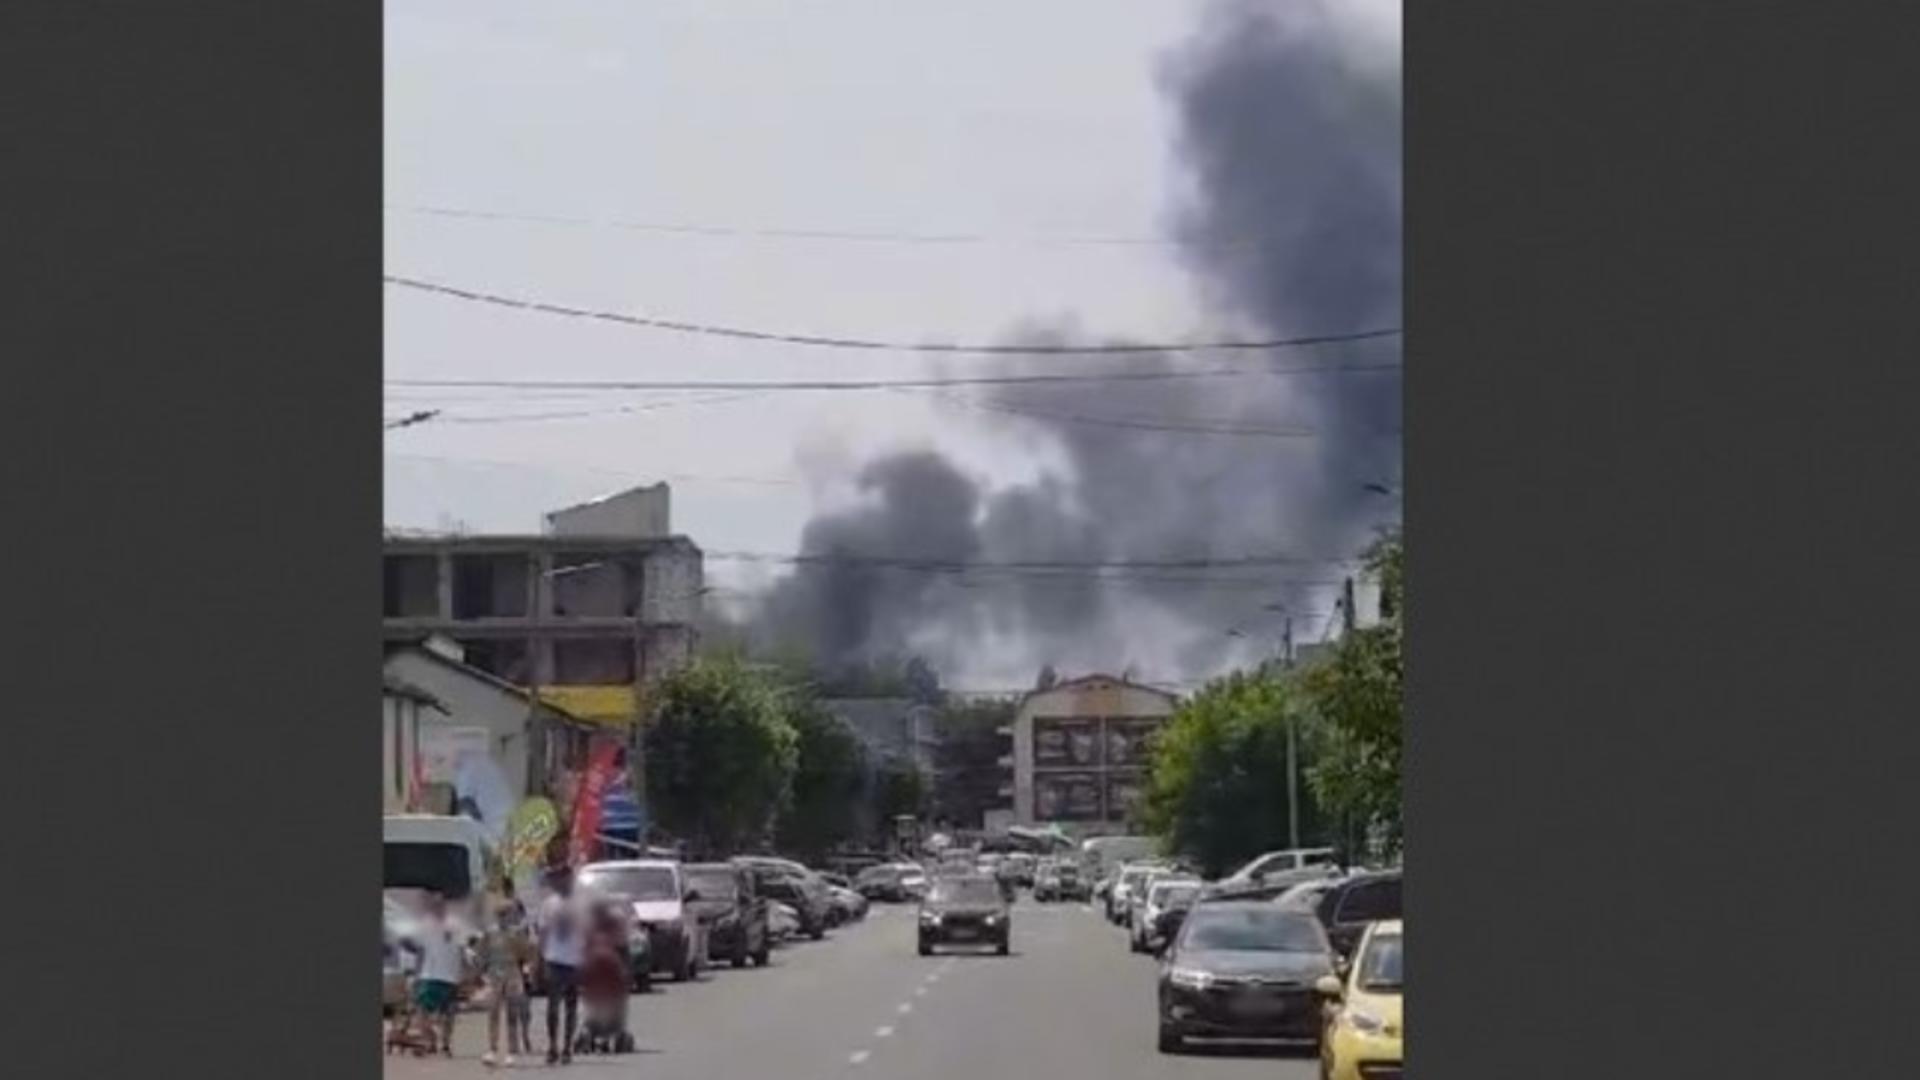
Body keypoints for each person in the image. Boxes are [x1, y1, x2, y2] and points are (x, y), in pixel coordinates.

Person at [402, 891, 466, 1056]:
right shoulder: (455, 925)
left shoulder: (429, 925)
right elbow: (462, 951)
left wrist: (416, 975)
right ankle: (441, 1043)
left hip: (432, 974)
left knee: (425, 1011)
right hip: (444, 975)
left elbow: (420, 951)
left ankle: (434, 1042)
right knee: (444, 1012)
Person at [537, 865, 589, 1065]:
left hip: (574, 961)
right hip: (554, 960)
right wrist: (539, 960)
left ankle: (567, 1046)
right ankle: (552, 1046)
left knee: (571, 1006)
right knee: (552, 1006)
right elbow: (543, 934)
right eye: (560, 879)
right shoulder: (549, 904)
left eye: (567, 879)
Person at [479, 881, 533, 1067]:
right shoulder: (490, 934)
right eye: (500, 915)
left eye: (506, 915)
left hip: (512, 974)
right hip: (494, 975)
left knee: (512, 1014)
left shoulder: (516, 934)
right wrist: (481, 973)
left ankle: (512, 1050)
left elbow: (526, 954)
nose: (503, 918)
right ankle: (492, 1049)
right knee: (493, 1012)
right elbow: (482, 955)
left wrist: (526, 970)